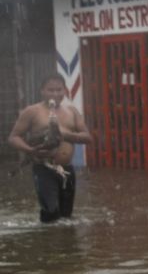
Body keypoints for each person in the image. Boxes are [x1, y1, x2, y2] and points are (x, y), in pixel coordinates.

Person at [8, 74, 93, 223]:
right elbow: (13, 137)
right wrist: (30, 150)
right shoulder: (32, 111)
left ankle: (63, 245)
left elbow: (87, 138)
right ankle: (46, 242)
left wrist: (65, 135)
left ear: (65, 91)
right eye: (50, 90)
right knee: (51, 213)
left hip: (67, 169)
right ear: (42, 91)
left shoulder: (72, 111)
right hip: (44, 168)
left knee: (66, 218)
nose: (55, 94)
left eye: (59, 90)